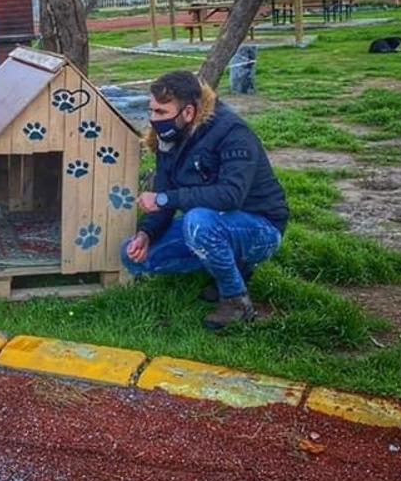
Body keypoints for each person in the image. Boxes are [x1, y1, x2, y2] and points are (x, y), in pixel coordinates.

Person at [121, 70, 289, 329]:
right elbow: (163, 200)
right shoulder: (167, 139)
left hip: (261, 227)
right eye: (152, 110)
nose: (153, 120)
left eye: (161, 113)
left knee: (198, 222)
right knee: (132, 255)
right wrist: (146, 233)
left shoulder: (232, 131)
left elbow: (231, 196)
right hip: (210, 223)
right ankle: (228, 268)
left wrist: (166, 199)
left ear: (188, 112)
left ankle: (236, 301)